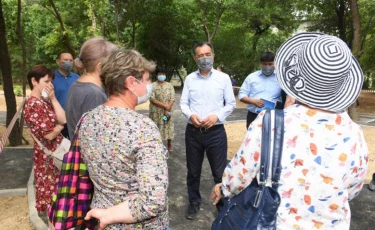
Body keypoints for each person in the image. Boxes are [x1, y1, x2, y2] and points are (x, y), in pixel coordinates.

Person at [211, 32, 369, 229]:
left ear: (295, 77)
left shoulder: (270, 123)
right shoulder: (354, 133)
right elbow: (353, 188)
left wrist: (223, 188)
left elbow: (241, 173)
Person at [80, 49, 169, 229]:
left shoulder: (87, 119)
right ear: (130, 82)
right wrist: (109, 215)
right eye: (145, 79)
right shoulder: (143, 127)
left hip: (99, 218)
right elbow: (153, 200)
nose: (149, 85)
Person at [180, 42, 236, 220]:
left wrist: (216, 116)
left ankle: (221, 204)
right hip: (194, 133)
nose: (204, 58)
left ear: (213, 55)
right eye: (200, 55)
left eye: (207, 54)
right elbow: (183, 103)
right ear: (195, 58)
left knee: (219, 172)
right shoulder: (189, 79)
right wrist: (191, 115)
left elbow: (231, 104)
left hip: (216, 133)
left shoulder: (223, 78)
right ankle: (194, 203)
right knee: (193, 171)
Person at [24, 65, 66, 214]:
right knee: (52, 202)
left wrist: (53, 98)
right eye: (46, 81)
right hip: (48, 158)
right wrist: (59, 127)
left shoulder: (43, 100)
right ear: (34, 81)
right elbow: (49, 135)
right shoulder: (34, 104)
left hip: (54, 156)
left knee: (57, 201)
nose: (50, 85)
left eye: (51, 81)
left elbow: (63, 118)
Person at [66, 37, 117, 139]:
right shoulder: (94, 94)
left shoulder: (78, 84)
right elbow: (98, 137)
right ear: (100, 67)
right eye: (113, 64)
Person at [238, 51, 282, 129]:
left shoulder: (280, 79)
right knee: (252, 140)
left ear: (275, 63)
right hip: (253, 116)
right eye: (265, 64)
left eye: (270, 64)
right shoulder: (252, 77)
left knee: (271, 140)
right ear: (260, 63)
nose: (267, 66)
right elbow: (241, 95)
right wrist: (253, 101)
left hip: (274, 116)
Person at [53, 52, 79, 138]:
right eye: (65, 60)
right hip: (58, 121)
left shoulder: (77, 78)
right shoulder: (51, 78)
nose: (68, 62)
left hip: (74, 119)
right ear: (58, 61)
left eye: (70, 60)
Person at [149, 66, 175, 152]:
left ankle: (169, 142)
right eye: (160, 74)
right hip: (156, 112)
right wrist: (165, 106)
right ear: (156, 75)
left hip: (168, 112)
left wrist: (167, 109)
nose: (161, 76)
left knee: (167, 124)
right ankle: (157, 144)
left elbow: (172, 98)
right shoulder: (152, 86)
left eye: (163, 74)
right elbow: (152, 99)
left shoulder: (169, 85)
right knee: (157, 126)